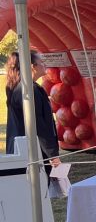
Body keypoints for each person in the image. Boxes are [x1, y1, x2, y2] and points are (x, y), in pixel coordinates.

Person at [5, 51, 61, 180]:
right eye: (41, 62)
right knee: (36, 190)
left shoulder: (21, 87)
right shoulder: (28, 90)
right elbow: (37, 124)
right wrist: (52, 154)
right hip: (33, 151)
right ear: (32, 66)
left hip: (24, 147)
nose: (44, 64)